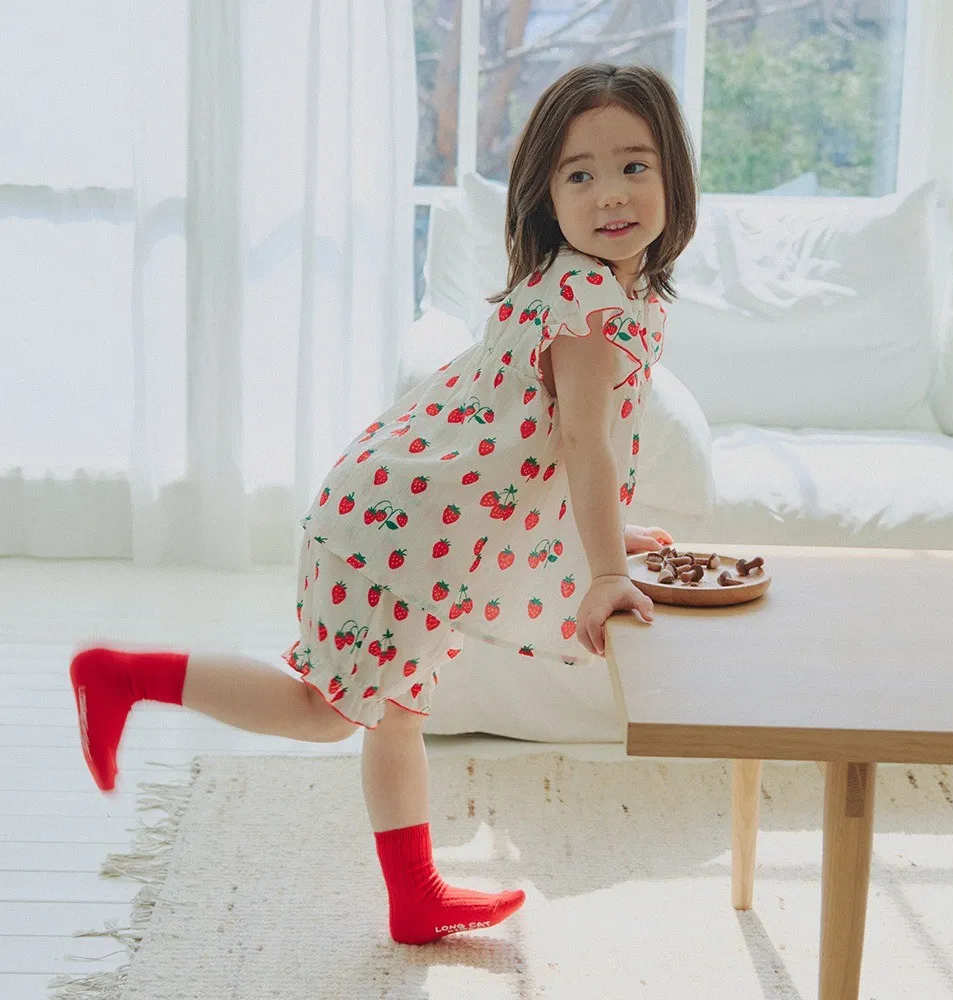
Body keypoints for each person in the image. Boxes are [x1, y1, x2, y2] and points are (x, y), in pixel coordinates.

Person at [69, 61, 699, 946]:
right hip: (396, 529)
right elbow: (580, 441)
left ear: (675, 174)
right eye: (579, 175)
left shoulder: (606, 290)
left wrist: (605, 533)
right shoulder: (587, 302)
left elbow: (531, 443)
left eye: (634, 166)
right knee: (327, 711)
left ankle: (414, 897)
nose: (611, 194)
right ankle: (123, 677)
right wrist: (601, 571)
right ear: (546, 198)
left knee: (392, 711)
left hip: (414, 526)